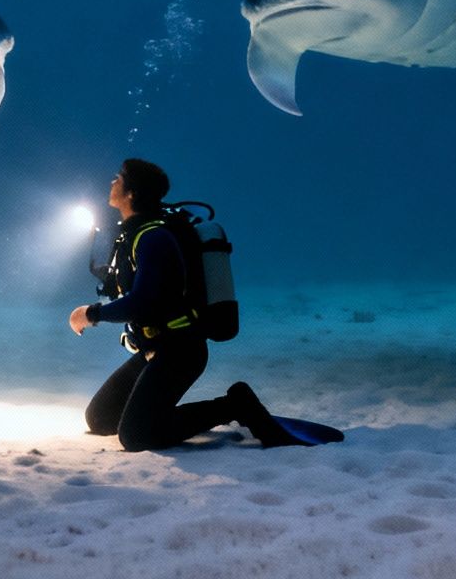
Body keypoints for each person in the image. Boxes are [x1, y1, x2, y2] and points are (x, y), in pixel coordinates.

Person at [68, 158, 305, 451]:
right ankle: (160, 414)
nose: (112, 181)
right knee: (100, 419)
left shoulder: (153, 238)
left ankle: (234, 405)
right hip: (152, 348)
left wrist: (91, 314)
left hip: (180, 350)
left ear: (131, 193)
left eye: (119, 177)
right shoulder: (132, 235)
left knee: (136, 436)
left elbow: (141, 302)